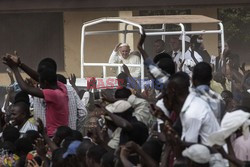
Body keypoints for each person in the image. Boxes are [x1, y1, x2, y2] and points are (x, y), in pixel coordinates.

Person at [3, 55, 69, 137]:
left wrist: (15, 69)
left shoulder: (54, 94)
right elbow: (39, 77)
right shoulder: (61, 87)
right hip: (58, 133)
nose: (40, 87)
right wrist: (20, 64)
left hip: (54, 136)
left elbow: (25, 88)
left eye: (40, 84)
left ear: (46, 83)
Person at [163, 72, 220, 145]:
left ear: (172, 92)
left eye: (166, 94)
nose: (164, 100)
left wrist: (171, 140)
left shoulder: (192, 112)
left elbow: (190, 150)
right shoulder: (191, 104)